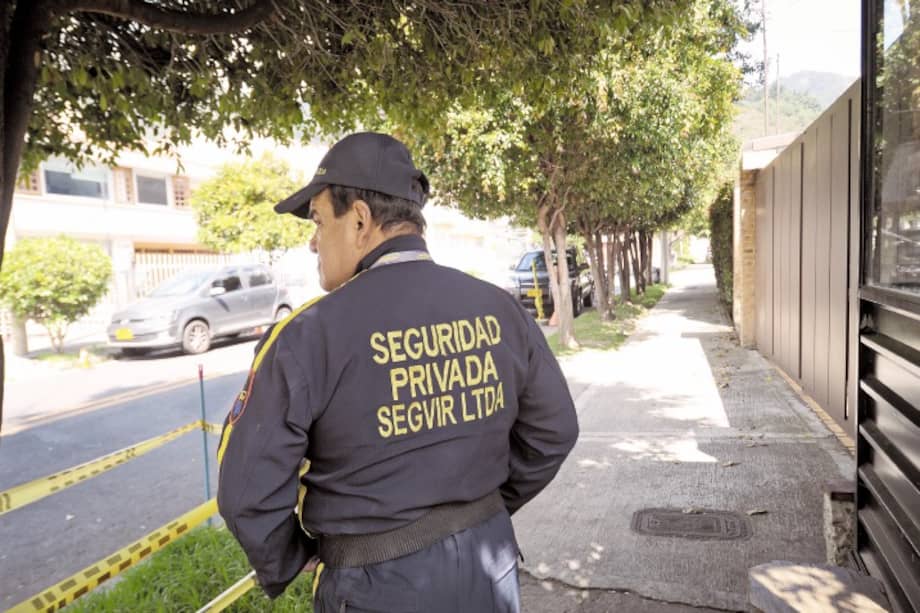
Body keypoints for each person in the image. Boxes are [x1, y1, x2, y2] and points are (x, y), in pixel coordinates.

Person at [217, 132, 578, 612]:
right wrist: (481, 512)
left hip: (375, 589)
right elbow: (554, 431)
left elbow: (246, 491)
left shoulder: (307, 335)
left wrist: (291, 557)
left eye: (319, 221)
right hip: (491, 571)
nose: (312, 241)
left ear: (361, 219)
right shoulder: (500, 309)